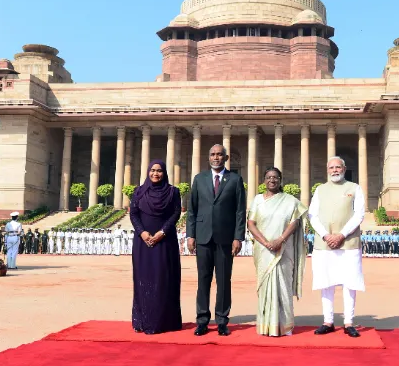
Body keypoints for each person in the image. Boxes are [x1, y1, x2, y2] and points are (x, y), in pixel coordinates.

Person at [187, 144, 247, 337]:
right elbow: (192, 210)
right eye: (212, 154)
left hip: (225, 238)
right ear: (208, 158)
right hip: (203, 236)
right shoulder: (199, 179)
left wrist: (238, 237)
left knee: (223, 281)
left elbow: (240, 211)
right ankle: (202, 320)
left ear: (226, 158)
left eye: (219, 154)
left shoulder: (235, 179)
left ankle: (222, 320)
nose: (216, 157)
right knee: (203, 280)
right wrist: (191, 235)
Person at [247, 167, 307, 337]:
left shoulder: (290, 200)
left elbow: (294, 222)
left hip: (283, 249)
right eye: (268, 177)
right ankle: (266, 325)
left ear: (280, 180)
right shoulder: (257, 200)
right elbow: (251, 223)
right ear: (264, 180)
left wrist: (280, 240)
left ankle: (285, 325)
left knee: (283, 285)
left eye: (275, 177)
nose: (272, 180)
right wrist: (266, 242)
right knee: (265, 286)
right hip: (263, 250)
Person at [309, 157, 365, 338]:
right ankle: (328, 321)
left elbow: (359, 214)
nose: (335, 170)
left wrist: (342, 235)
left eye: (338, 167)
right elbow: (312, 215)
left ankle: (349, 322)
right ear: (327, 170)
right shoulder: (320, 190)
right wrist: (326, 235)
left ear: (344, 168)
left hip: (348, 242)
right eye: (331, 167)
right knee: (326, 282)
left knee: (350, 283)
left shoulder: (354, 188)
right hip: (324, 243)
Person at [129, 160, 183, 334]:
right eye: (152, 170)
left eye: (159, 171)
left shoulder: (173, 192)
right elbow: (133, 214)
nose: (155, 174)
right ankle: (143, 320)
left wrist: (162, 232)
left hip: (165, 241)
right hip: (143, 242)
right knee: (143, 280)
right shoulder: (139, 191)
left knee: (164, 279)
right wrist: (142, 233)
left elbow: (175, 213)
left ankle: (164, 321)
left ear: (164, 173)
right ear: (148, 172)